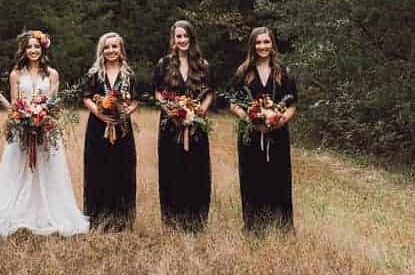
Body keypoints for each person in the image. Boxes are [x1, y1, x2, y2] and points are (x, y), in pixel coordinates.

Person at [0, 30, 89, 236]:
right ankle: (17, 214)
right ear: (24, 50)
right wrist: (23, 119)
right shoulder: (16, 74)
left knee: (47, 170)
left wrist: (42, 118)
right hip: (21, 130)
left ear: (43, 49)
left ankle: (48, 214)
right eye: (29, 47)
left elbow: (53, 104)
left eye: (37, 47)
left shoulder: (52, 74)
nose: (33, 50)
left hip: (45, 129)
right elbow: (14, 104)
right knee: (20, 170)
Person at [226, 26, 298, 232]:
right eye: (258, 42)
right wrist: (250, 119)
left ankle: (281, 226)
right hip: (250, 134)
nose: (262, 46)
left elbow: (292, 104)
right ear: (252, 45)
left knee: (278, 177)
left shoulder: (283, 72)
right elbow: (233, 103)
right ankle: (253, 225)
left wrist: (279, 120)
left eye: (266, 42)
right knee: (252, 177)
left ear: (272, 44)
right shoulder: (243, 72)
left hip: (278, 134)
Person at [153, 19, 214, 231]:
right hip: (170, 125)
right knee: (171, 169)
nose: (182, 40)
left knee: (196, 170)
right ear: (173, 39)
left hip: (197, 125)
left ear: (192, 38)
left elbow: (209, 93)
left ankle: (196, 220)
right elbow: (157, 92)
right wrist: (171, 110)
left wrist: (198, 112)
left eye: (186, 36)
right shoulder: (163, 64)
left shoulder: (203, 65)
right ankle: (172, 220)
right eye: (178, 36)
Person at [81, 31, 139, 232]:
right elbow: (86, 97)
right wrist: (100, 113)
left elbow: (135, 101)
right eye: (107, 47)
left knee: (122, 169)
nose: (111, 50)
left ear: (121, 49)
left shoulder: (128, 75)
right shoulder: (94, 73)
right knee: (98, 169)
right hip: (98, 127)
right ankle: (97, 217)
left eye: (115, 46)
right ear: (101, 50)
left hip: (122, 128)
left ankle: (121, 219)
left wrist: (125, 112)